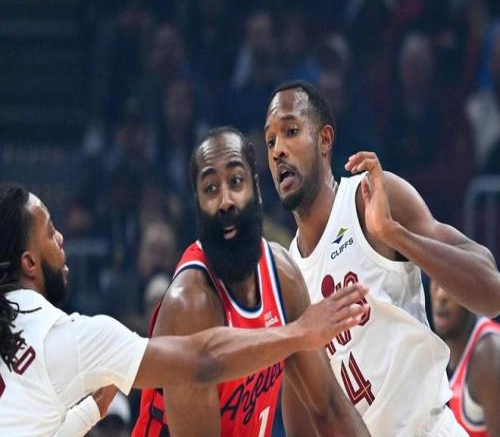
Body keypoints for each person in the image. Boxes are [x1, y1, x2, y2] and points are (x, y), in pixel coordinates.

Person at [0, 183, 370, 436]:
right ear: (29, 263)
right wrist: (299, 332)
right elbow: (202, 360)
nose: (61, 238)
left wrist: (95, 407)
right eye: (50, 232)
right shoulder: (67, 339)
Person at [263, 80, 500, 436]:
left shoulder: (369, 198)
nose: (278, 150)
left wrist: (393, 233)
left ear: (325, 140)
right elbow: (304, 418)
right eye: (270, 141)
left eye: (291, 131)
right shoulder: (289, 275)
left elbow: (491, 294)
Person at [132, 126, 370, 437]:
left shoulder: (283, 275)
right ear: (198, 203)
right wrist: (298, 332)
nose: (225, 201)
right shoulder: (190, 303)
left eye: (235, 182)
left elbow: (329, 408)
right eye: (210, 189)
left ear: (256, 187)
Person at [430, 280, 500, 436]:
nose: (441, 295)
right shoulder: (448, 353)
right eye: (437, 282)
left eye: (451, 285)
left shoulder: (491, 353)